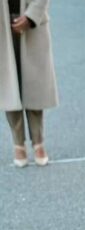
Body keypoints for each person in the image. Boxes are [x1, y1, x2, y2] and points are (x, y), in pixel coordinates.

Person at [2, 0, 56, 167]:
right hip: (2, 25)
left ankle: (38, 142)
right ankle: (18, 144)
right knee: (8, 86)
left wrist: (31, 17)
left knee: (34, 84)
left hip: (32, 23)